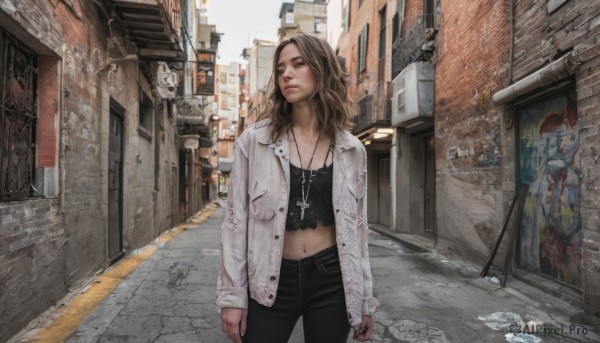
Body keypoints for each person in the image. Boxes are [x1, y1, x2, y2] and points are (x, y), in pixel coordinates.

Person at [216, 33, 380, 343]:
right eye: (280, 69)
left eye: (298, 64)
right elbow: (236, 223)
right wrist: (232, 297)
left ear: (322, 70)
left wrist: (365, 299)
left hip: (332, 279)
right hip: (270, 279)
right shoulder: (255, 141)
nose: (286, 74)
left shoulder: (352, 150)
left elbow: (358, 230)